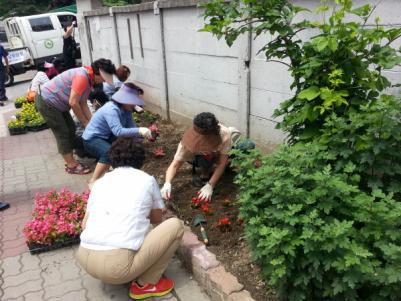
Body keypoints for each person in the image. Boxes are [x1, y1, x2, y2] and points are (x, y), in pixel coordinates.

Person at [76, 137, 184, 300]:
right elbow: (156, 219)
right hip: (115, 268)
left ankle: (128, 265)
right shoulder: (147, 180)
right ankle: (145, 284)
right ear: (141, 159)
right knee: (175, 226)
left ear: (112, 158)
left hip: (84, 258)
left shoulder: (100, 182)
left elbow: (85, 224)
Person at [35, 58, 116, 175]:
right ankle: (71, 165)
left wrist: (92, 123)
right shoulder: (82, 77)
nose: (102, 82)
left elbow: (83, 103)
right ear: (98, 73)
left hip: (58, 104)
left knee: (71, 129)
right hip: (47, 102)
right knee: (62, 132)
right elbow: (73, 102)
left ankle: (71, 158)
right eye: (103, 79)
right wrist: (84, 122)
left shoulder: (89, 79)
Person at [160, 112, 242, 202]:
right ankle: (205, 169)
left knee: (241, 149)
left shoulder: (224, 134)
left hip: (220, 152)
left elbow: (221, 163)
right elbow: (175, 164)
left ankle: (228, 163)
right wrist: (167, 183)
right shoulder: (187, 142)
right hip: (201, 157)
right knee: (206, 158)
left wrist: (210, 185)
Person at [82, 82, 153, 186]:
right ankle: (93, 181)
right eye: (133, 101)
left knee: (123, 146)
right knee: (108, 152)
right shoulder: (111, 109)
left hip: (106, 136)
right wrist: (139, 131)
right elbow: (118, 131)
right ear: (124, 100)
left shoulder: (126, 110)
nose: (134, 104)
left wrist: (142, 137)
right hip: (92, 139)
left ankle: (110, 170)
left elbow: (131, 127)